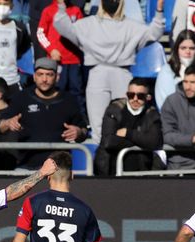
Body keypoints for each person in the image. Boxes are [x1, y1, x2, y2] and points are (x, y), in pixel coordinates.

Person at [53, 0, 165, 144]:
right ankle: (101, 163)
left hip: (122, 74)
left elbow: (154, 33)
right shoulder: (89, 23)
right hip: (97, 73)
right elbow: (62, 26)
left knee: (127, 123)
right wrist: (61, 5)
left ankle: (124, 162)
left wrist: (160, 10)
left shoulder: (131, 25)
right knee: (99, 128)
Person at [0, 57, 87, 169]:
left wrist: (78, 132)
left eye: (49, 75)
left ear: (57, 77)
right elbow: (0, 126)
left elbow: (83, 131)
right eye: (40, 74)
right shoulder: (21, 98)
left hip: (59, 168)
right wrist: (8, 123)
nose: (44, 79)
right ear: (34, 76)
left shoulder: (69, 100)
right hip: (26, 166)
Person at [94, 78, 163, 176]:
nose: (135, 99)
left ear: (148, 97)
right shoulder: (114, 109)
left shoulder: (152, 114)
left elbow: (154, 142)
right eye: (131, 95)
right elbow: (108, 141)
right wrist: (141, 141)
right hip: (111, 172)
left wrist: (128, 133)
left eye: (140, 96)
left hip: (141, 172)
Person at [37, 0, 85, 113]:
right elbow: (40, 33)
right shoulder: (48, 11)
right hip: (56, 61)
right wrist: (51, 50)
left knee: (77, 91)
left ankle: (80, 118)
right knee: (57, 90)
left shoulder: (76, 10)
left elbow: (83, 33)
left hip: (74, 60)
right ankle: (55, 116)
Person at [155, 30, 195, 111]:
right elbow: (165, 103)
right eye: (183, 48)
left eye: (192, 48)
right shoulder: (166, 71)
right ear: (177, 49)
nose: (188, 52)